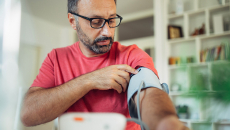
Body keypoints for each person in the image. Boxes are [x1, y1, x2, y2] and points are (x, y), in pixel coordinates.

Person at [21, 0, 188, 130]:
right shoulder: (56, 58)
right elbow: (28, 114)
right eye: (96, 21)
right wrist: (90, 80)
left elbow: (149, 93)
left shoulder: (132, 55)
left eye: (112, 20)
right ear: (73, 21)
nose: (107, 31)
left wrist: (166, 123)